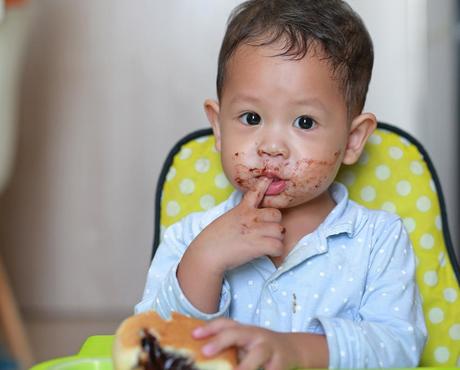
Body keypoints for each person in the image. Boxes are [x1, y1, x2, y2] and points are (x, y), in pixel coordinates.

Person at [135, 0, 427, 368]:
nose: (271, 146)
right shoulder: (189, 238)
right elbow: (149, 347)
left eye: (304, 122)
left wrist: (297, 351)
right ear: (219, 128)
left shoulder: (378, 242)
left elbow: (399, 348)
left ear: (352, 140)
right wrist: (204, 262)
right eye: (251, 117)